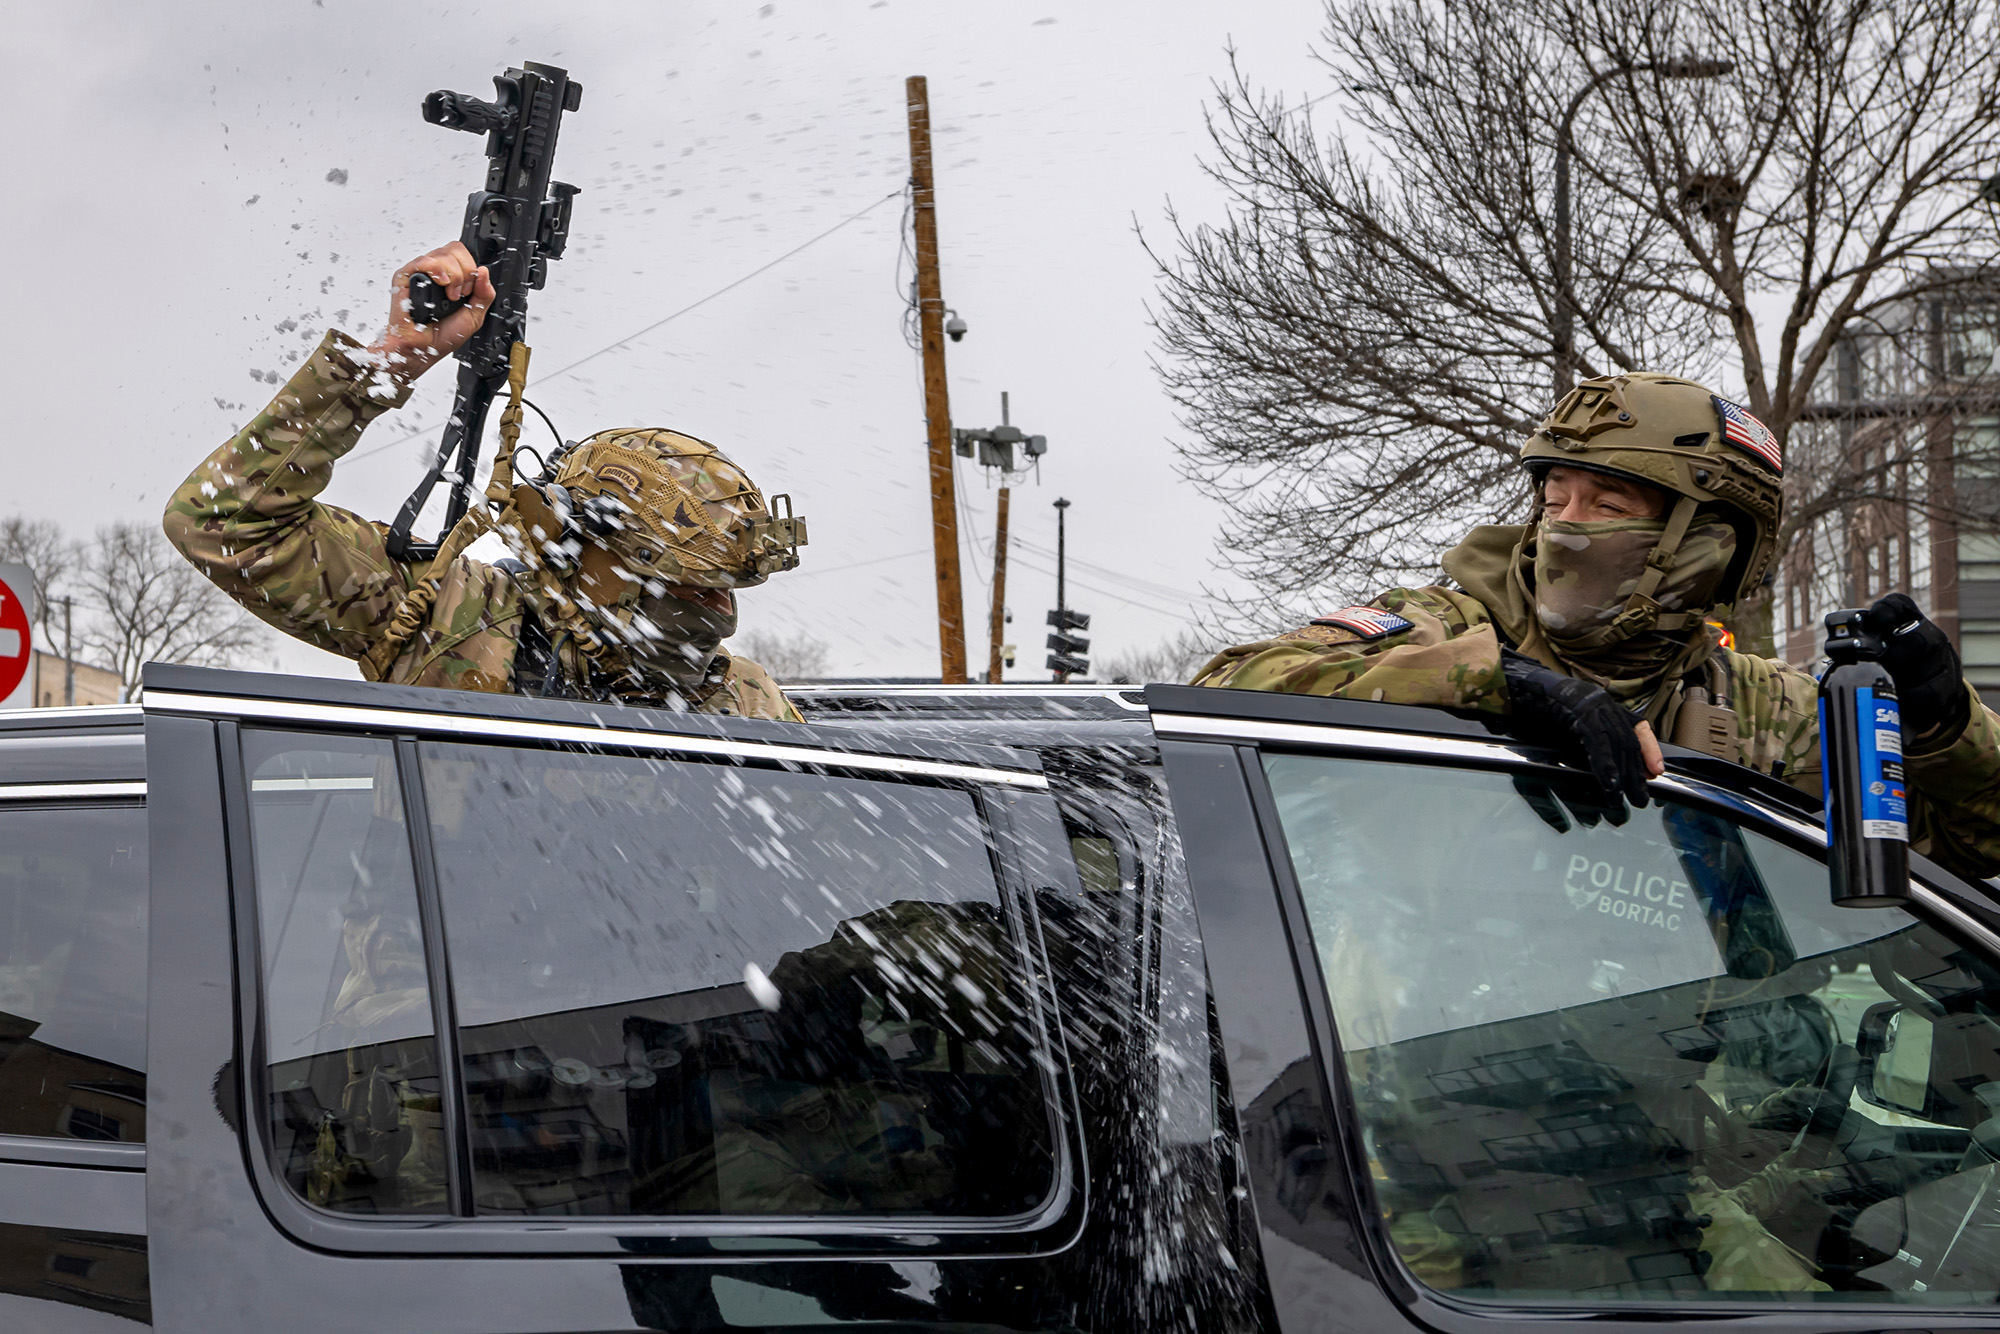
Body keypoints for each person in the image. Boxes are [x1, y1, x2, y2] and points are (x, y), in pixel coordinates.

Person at [1193, 371, 2000, 881]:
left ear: (1711, 546)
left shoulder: (1761, 712)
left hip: (1681, 1113)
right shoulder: (1445, 625)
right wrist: (1501, 687)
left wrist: (1944, 730)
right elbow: (1223, 688)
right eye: (1554, 500)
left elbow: (1961, 863)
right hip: (1422, 1094)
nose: (1565, 528)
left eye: (1608, 505)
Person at [163, 242, 805, 719]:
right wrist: (386, 366)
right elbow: (221, 521)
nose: (722, 612)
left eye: (727, 589)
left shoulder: (745, 700)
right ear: (595, 558)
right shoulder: (455, 616)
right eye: (694, 586)